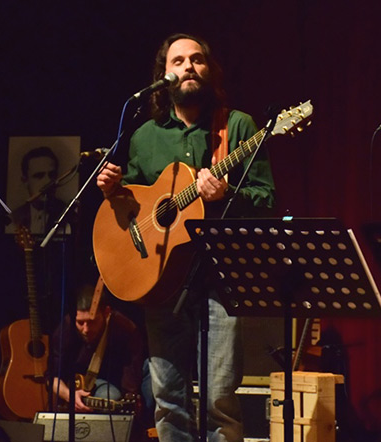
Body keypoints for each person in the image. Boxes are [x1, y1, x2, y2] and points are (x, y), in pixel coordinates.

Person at [96, 33, 276, 442]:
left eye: (197, 59)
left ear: (209, 70)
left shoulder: (237, 126)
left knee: (219, 400)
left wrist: (226, 193)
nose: (189, 66)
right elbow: (136, 210)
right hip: (159, 276)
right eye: (178, 61)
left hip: (221, 275)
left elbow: (266, 200)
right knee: (167, 397)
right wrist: (114, 192)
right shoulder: (144, 135)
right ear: (164, 75)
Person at [49, 282, 145, 413]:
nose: (86, 329)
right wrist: (69, 395)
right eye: (80, 323)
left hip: (110, 383)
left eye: (92, 322)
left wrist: (130, 398)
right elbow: (52, 377)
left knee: (110, 396)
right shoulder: (66, 328)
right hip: (73, 388)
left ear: (106, 312)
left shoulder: (125, 329)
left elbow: (130, 378)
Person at [9, 146, 68, 236]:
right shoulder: (15, 217)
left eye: (51, 175)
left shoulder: (67, 215)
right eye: (39, 176)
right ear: (25, 181)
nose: (47, 181)